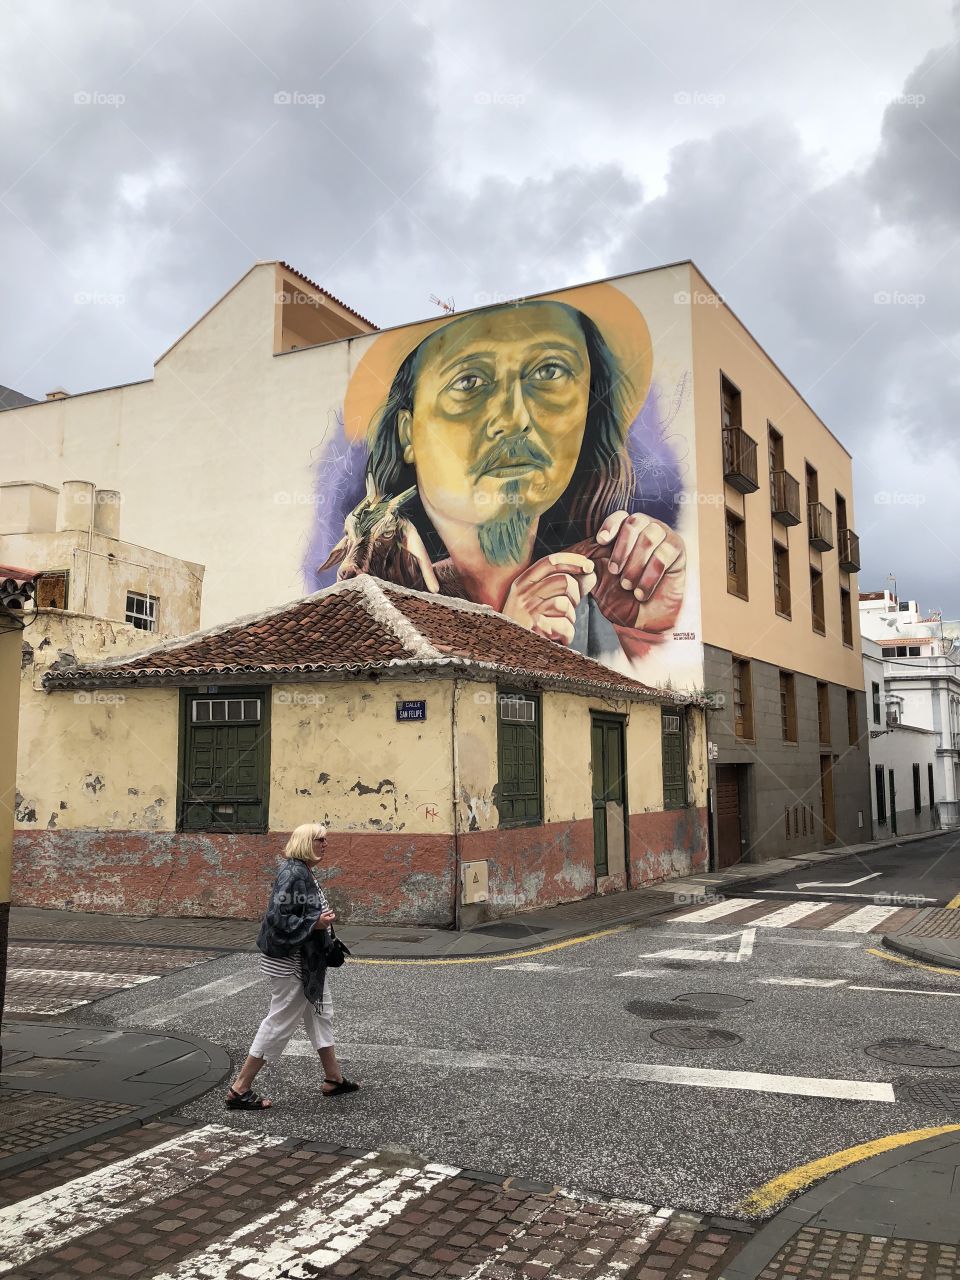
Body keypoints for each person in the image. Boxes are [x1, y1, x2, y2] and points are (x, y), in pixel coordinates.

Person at [321, 299, 686, 674]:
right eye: (468, 382)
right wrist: (509, 642)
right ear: (407, 433)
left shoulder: (595, 595)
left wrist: (648, 634)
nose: (514, 419)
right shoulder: (377, 605)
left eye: (549, 371)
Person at [225, 822, 359, 1110]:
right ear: (304, 842)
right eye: (319, 839)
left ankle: (333, 1078)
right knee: (280, 1021)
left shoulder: (303, 870)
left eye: (325, 839)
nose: (325, 843)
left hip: (308, 962)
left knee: (321, 1013)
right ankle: (240, 1089)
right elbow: (277, 919)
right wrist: (316, 923)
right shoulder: (293, 873)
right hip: (292, 964)